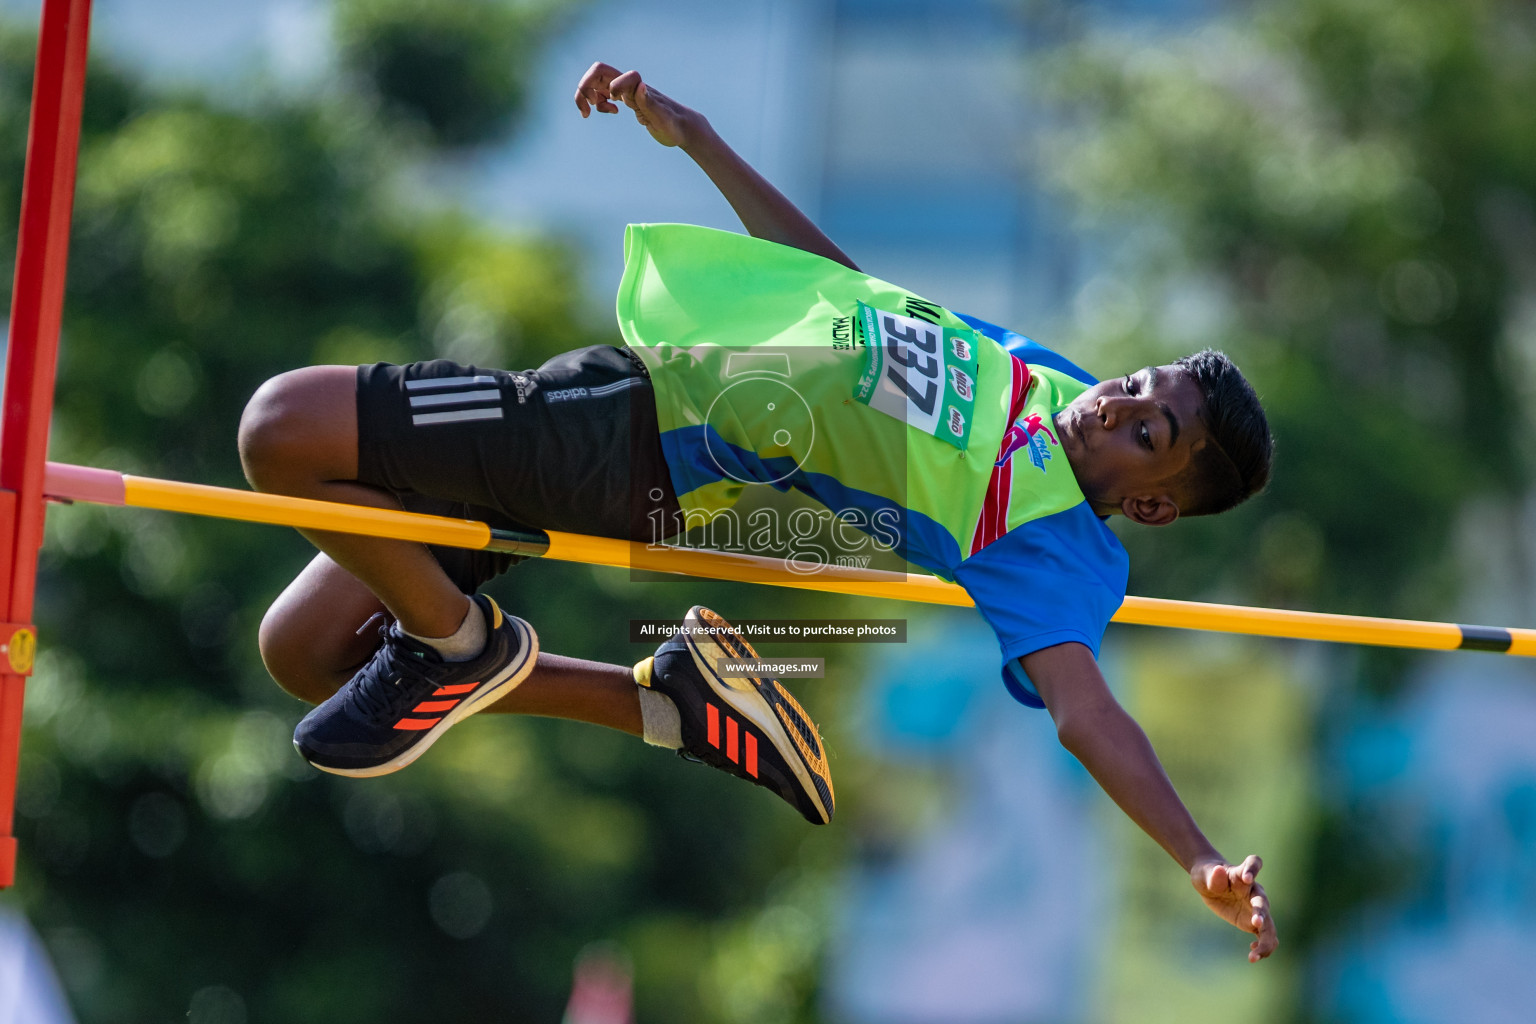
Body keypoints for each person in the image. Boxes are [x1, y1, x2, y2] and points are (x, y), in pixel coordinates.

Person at [238, 62, 1279, 963]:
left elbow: (1088, 713)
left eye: (1150, 433)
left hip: (630, 438)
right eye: (1143, 385)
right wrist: (700, 142)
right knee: (311, 646)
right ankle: (674, 702)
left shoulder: (1051, 548)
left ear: (1150, 502)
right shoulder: (1048, 380)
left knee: (282, 427)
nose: (1123, 403)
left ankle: (459, 646)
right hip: (626, 404)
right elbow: (845, 293)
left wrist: (1196, 854)